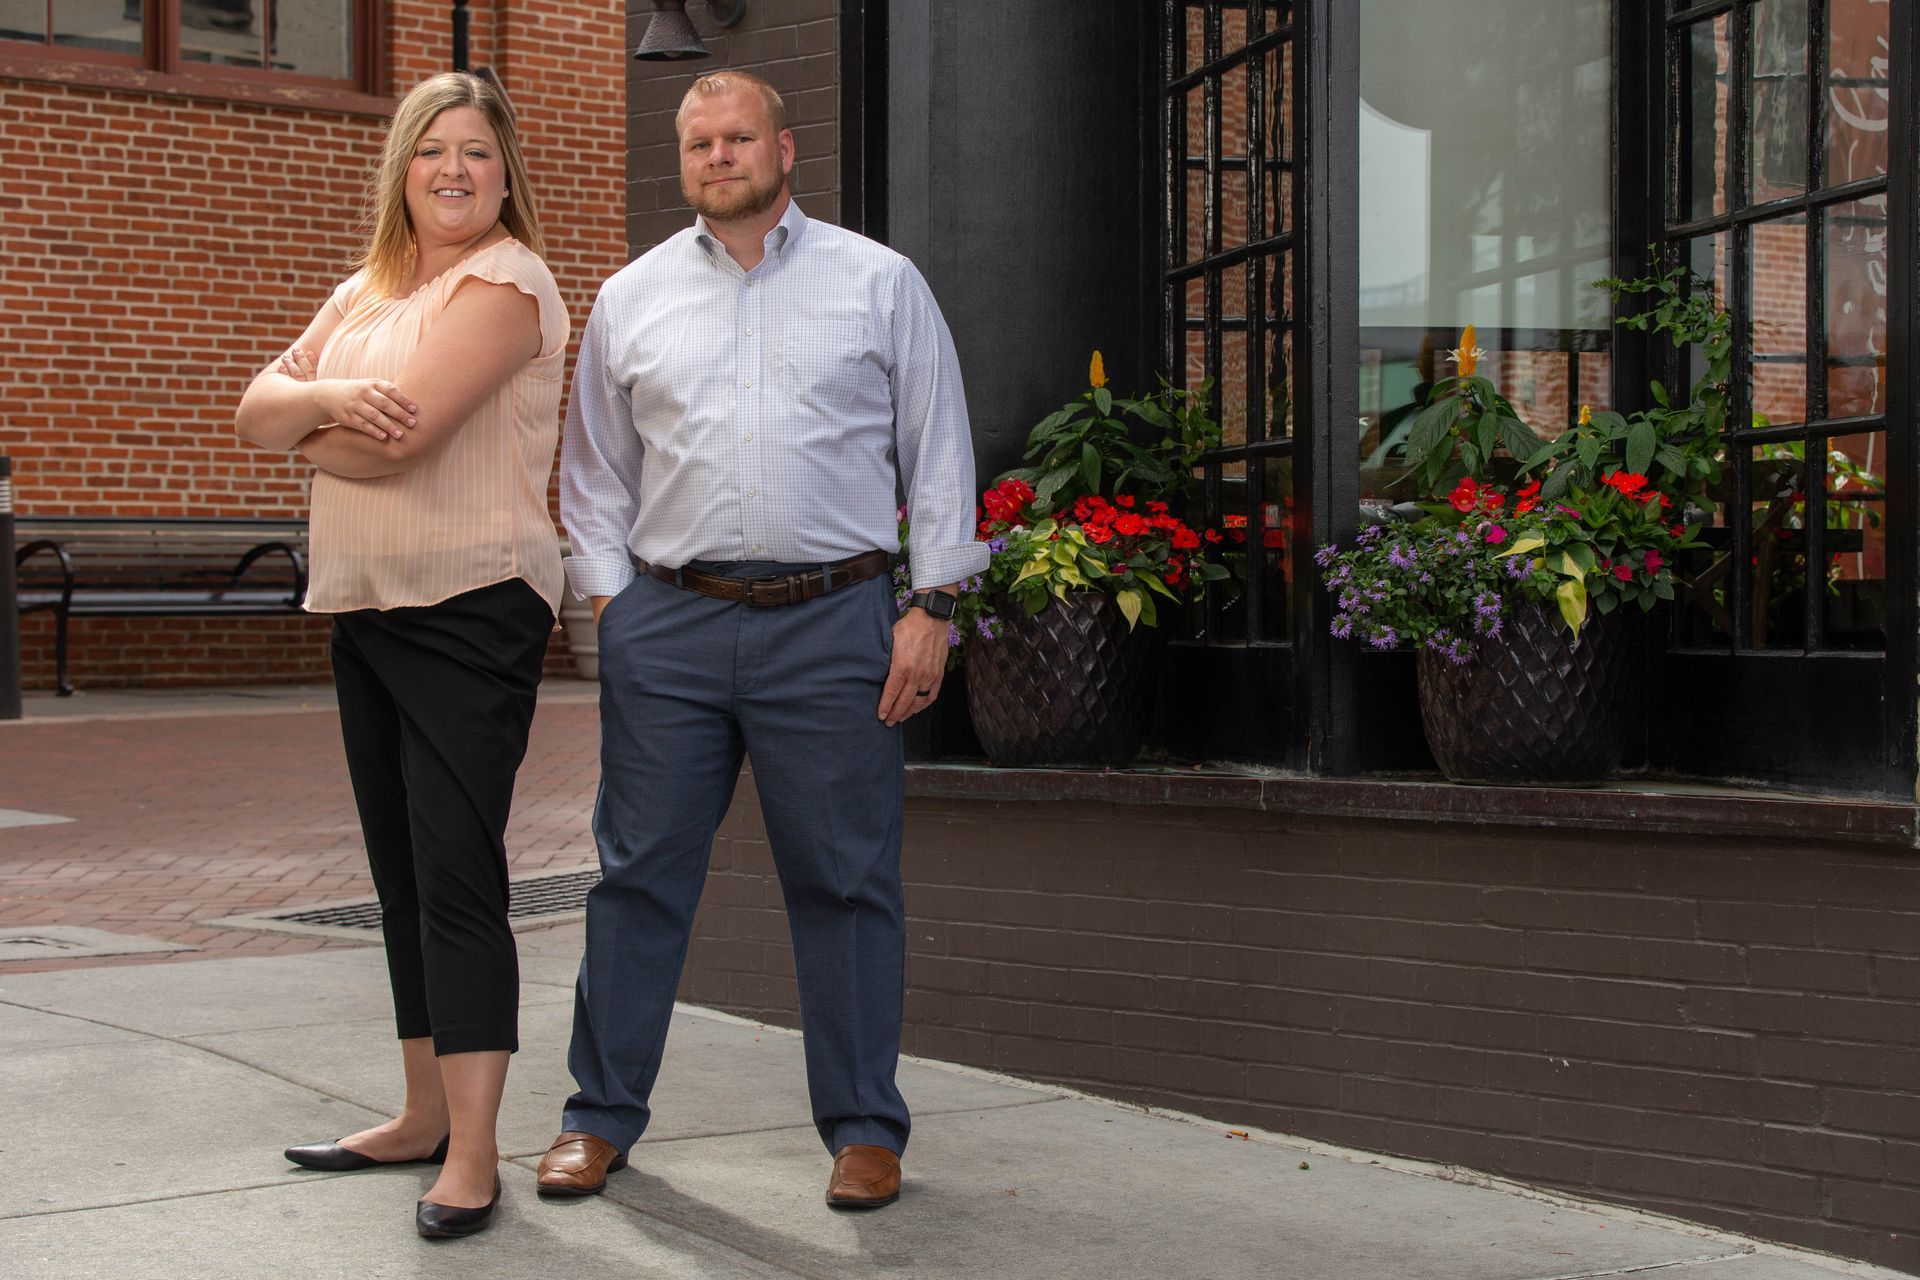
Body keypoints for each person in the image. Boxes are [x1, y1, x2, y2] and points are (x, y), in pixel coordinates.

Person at [541, 69, 984, 1211]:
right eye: (699, 143)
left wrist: (932, 603)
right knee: (637, 876)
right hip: (672, 624)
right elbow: (594, 470)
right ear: (681, 159)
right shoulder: (631, 298)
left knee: (843, 879)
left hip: (833, 622)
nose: (719, 156)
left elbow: (936, 448)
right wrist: (613, 608)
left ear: (785, 150)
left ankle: (862, 1127)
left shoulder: (878, 284)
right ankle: (598, 1116)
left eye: (739, 137)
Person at [234, 70, 570, 1240]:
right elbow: (251, 409)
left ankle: (474, 1154)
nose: (455, 171)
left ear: (504, 170)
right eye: (434, 151)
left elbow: (401, 444)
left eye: (477, 151)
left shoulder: (510, 281)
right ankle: (422, 1111)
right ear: (403, 168)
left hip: (472, 606)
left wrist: (310, 429)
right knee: (401, 878)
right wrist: (329, 398)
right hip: (367, 606)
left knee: (459, 873)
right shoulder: (369, 287)